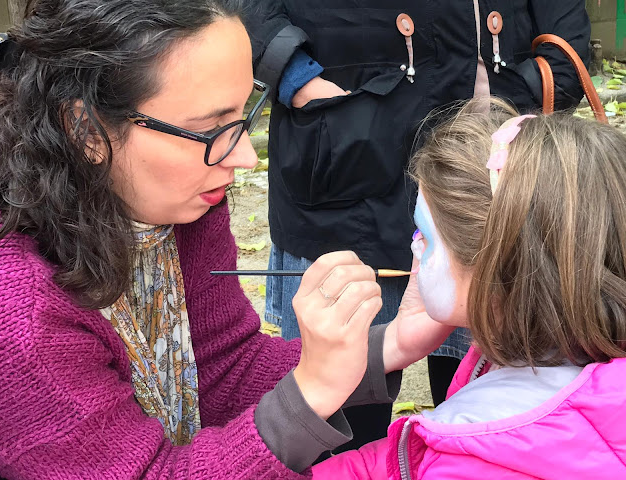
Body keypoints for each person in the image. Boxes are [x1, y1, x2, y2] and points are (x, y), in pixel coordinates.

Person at [0, 1, 453, 478]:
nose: (245, 157)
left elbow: (224, 368)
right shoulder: (13, 312)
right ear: (85, 129)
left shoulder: (178, 201)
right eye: (211, 128)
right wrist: (311, 392)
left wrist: (392, 343)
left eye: (242, 119)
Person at [246, 1, 592, 436]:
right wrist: (296, 76)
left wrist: (535, 87)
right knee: (341, 419)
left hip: (497, 174)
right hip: (345, 154)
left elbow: (565, 30)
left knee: (495, 416)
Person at [312, 99, 626, 478]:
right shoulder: (539, 354)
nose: (413, 247)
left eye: (424, 236)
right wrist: (392, 343)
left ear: (496, 268)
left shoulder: (472, 464)